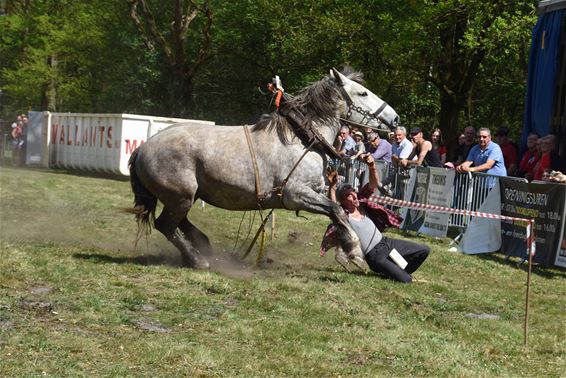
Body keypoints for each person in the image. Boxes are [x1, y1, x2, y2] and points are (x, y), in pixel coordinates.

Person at [325, 154, 429, 283]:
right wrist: (332, 187)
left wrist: (372, 166)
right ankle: (396, 273)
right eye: (348, 195)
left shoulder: (362, 202)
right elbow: (333, 207)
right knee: (406, 280)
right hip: (375, 256)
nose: (353, 195)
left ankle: (398, 271)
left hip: (386, 243)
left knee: (423, 250)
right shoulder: (344, 215)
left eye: (353, 191)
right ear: (343, 200)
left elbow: (373, 184)